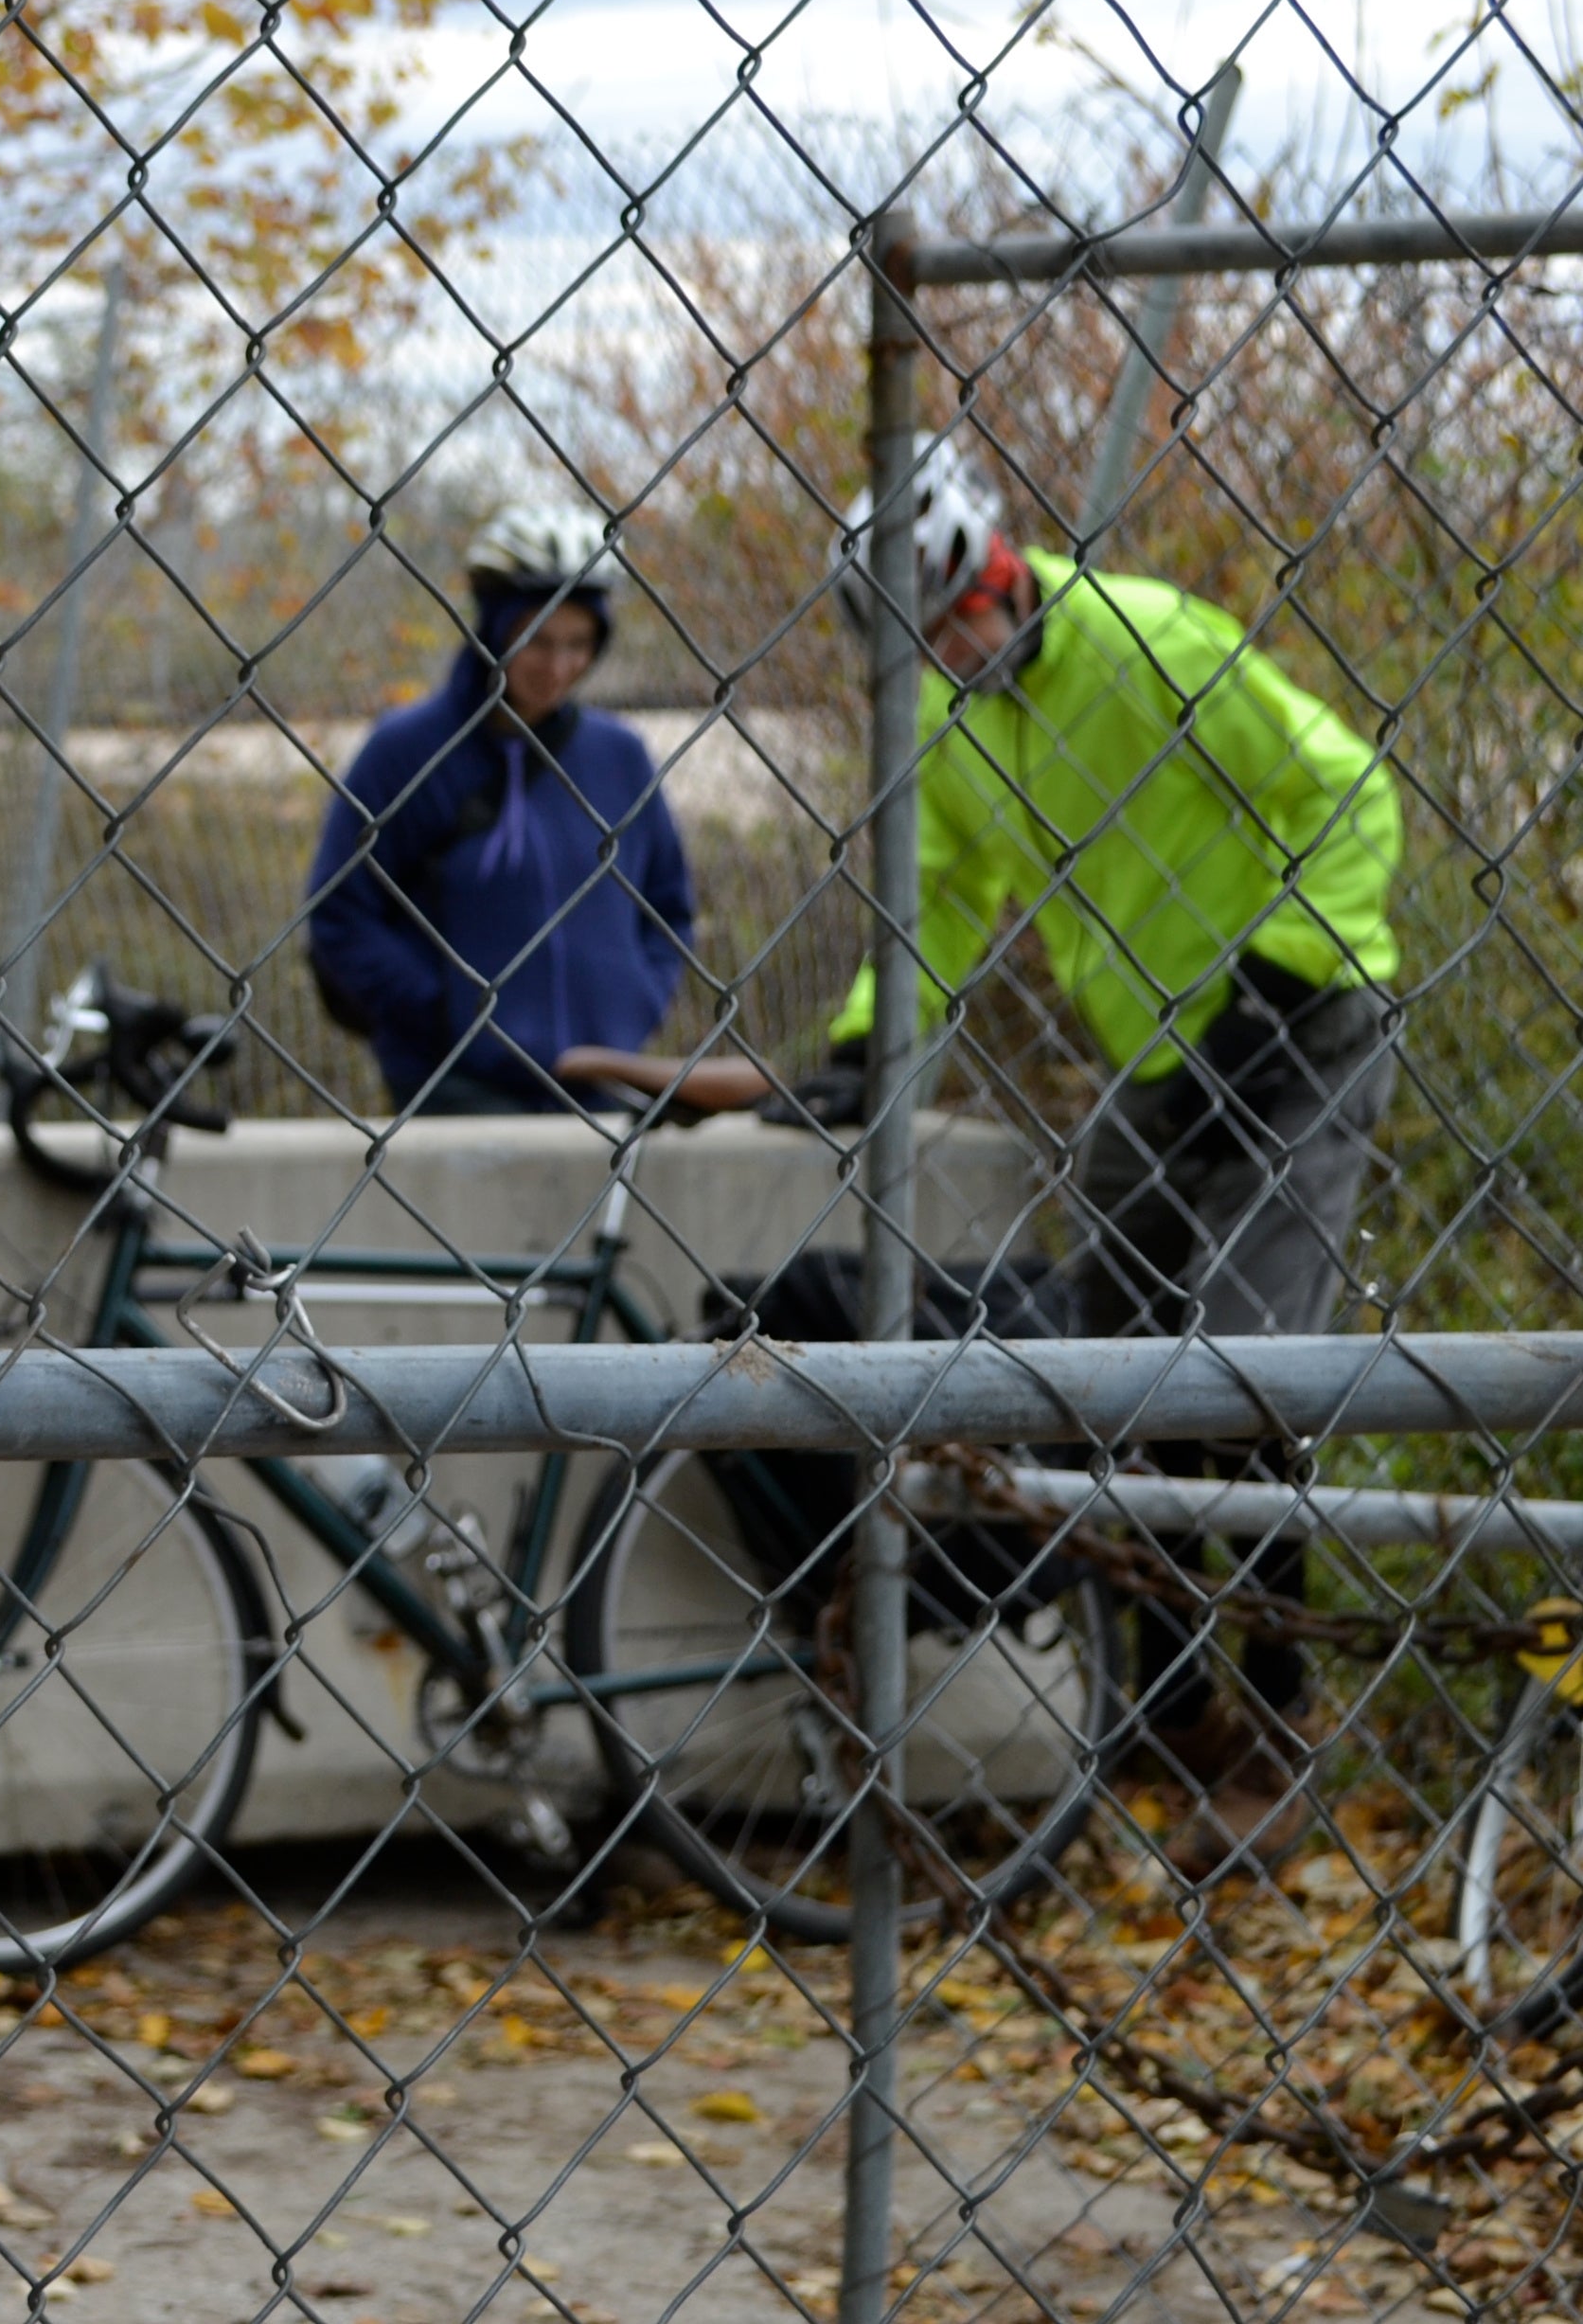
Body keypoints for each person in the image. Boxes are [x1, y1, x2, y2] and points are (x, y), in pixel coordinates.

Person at [816, 436, 1403, 1869]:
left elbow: (1347, 789)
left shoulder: (1150, 641)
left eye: (962, 616)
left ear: (1001, 571)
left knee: (1247, 1381)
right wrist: (863, 1044)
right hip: (1156, 1064)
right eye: (924, 645)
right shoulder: (954, 729)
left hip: (1297, 1029)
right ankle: (1167, 1698)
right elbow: (940, 895)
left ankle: (1270, 1717)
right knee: (1101, 1374)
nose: (956, 652)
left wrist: (1289, 964)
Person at [302, 504, 701, 1116]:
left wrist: (635, 999)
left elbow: (667, 904)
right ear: (494, 630)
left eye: (578, 643)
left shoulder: (619, 756)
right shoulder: (407, 751)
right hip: (456, 1088)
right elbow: (340, 914)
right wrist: (451, 1011)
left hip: (601, 1084)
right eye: (536, 641)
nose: (559, 667)